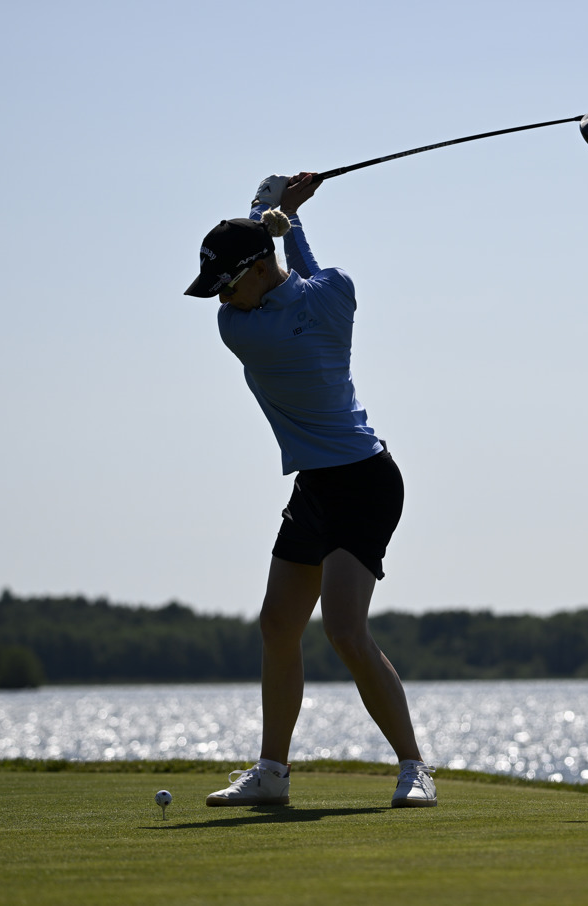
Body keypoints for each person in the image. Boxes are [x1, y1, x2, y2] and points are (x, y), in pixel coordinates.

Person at [184, 172, 436, 808]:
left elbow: (291, 274)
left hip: (366, 482)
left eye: (226, 284)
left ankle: (414, 770)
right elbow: (304, 274)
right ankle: (272, 773)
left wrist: (270, 207)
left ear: (258, 270)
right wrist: (280, 216)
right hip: (318, 487)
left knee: (344, 630)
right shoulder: (310, 303)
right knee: (277, 624)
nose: (221, 300)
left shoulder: (259, 325)